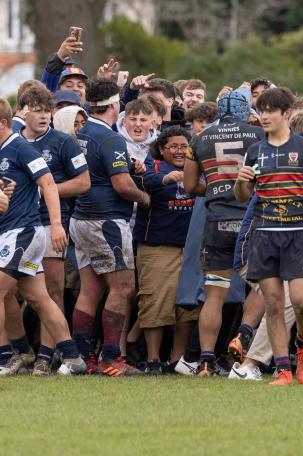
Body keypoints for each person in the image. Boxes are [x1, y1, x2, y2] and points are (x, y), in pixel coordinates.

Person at [235, 87, 303, 386]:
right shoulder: (254, 150)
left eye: (269, 111)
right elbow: (243, 196)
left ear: (285, 114)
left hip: (298, 232)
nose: (263, 116)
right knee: (274, 303)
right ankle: (282, 370)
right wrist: (241, 182)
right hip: (265, 234)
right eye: (260, 110)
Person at [0, 96, 88, 377]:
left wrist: (56, 225)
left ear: (3, 123)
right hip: (12, 233)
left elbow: (48, 184)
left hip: (23, 232)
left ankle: (5, 357)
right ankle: (72, 359)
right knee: (39, 298)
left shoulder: (20, 148)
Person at [71, 79, 150, 377]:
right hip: (106, 221)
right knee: (123, 287)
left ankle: (80, 357)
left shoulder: (82, 132)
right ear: (116, 106)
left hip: (80, 219)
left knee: (89, 289)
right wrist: (144, 198)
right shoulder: (111, 137)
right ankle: (111, 358)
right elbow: (122, 185)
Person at [184, 86, 265, 376]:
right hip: (251, 223)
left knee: (214, 295)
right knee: (262, 286)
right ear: (247, 111)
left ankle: (205, 360)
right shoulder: (258, 136)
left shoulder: (200, 138)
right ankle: (243, 334)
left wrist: (218, 189)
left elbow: (191, 187)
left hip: (216, 222)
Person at [134, 127, 195, 375]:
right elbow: (142, 181)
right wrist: (165, 180)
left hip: (190, 248)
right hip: (157, 246)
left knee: (188, 306)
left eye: (184, 146)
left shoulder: (196, 168)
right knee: (155, 302)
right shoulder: (153, 165)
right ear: (161, 149)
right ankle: (153, 359)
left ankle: (176, 359)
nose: (179, 151)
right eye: (174, 146)